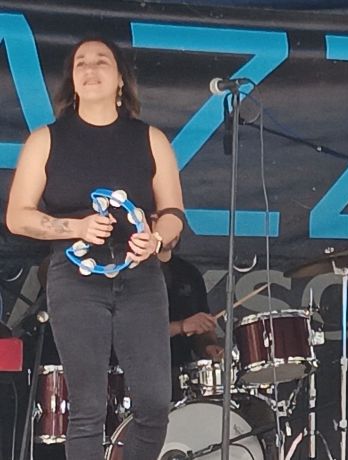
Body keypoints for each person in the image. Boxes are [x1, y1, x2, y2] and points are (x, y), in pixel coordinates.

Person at [5, 37, 184, 459]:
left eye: (101, 61)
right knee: (87, 407)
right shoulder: (46, 140)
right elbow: (17, 216)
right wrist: (76, 227)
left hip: (140, 277)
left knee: (154, 404)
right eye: (80, 63)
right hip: (75, 277)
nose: (90, 68)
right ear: (72, 80)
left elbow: (174, 213)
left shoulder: (150, 139)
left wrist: (156, 239)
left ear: (121, 78)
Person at [163, 251, 223, 401]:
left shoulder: (188, 272)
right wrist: (181, 326)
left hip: (182, 373)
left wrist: (208, 346)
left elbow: (202, 329)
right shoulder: (130, 272)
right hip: (135, 373)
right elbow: (132, 333)